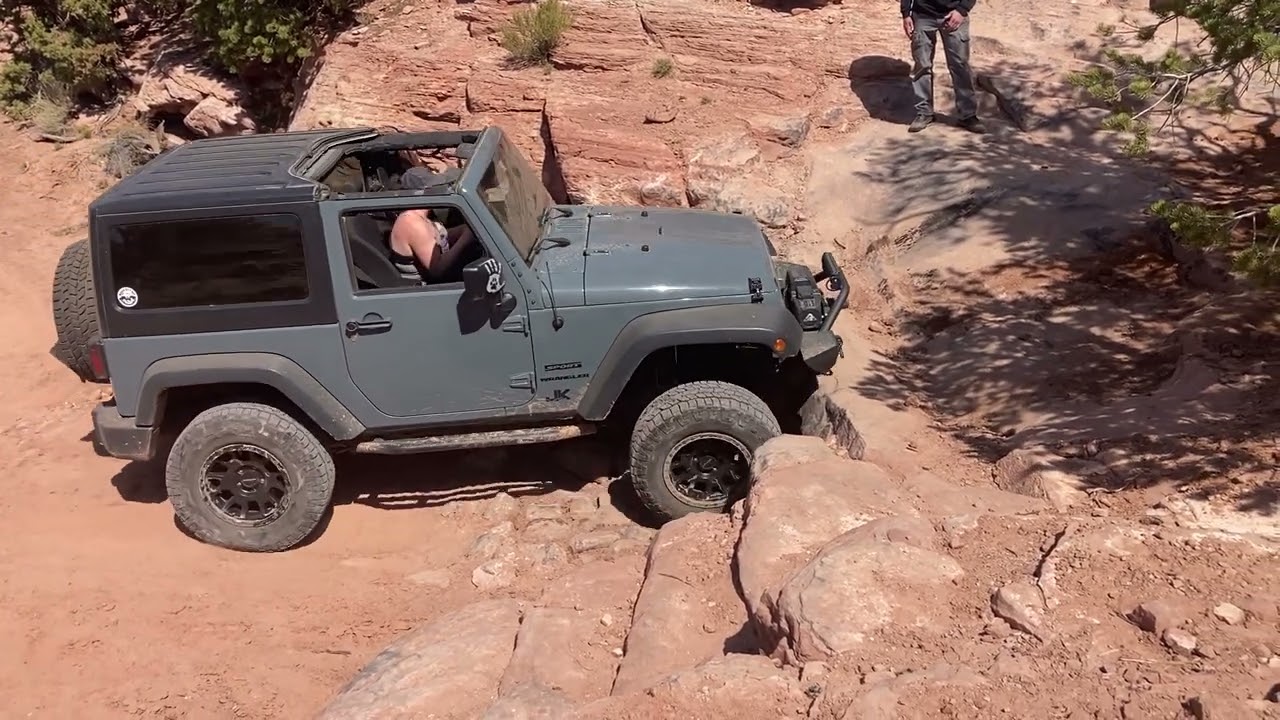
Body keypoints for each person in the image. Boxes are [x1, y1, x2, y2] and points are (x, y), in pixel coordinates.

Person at [901, 0, 986, 134]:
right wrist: (906, 14)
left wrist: (961, 10)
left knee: (960, 66)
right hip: (922, 15)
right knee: (922, 66)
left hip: (954, 15)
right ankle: (924, 113)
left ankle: (968, 115)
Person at [389, 169, 478, 282]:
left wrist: (464, 230)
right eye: (434, 188)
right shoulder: (412, 223)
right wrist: (465, 239)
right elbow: (437, 270)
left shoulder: (418, 217)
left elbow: (436, 238)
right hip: (427, 290)